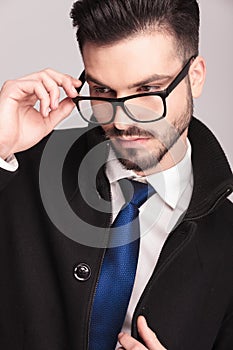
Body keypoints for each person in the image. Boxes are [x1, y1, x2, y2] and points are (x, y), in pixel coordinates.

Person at [0, 0, 233, 349]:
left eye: (147, 91)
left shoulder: (227, 243)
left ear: (195, 77)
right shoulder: (18, 170)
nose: (121, 121)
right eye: (103, 91)